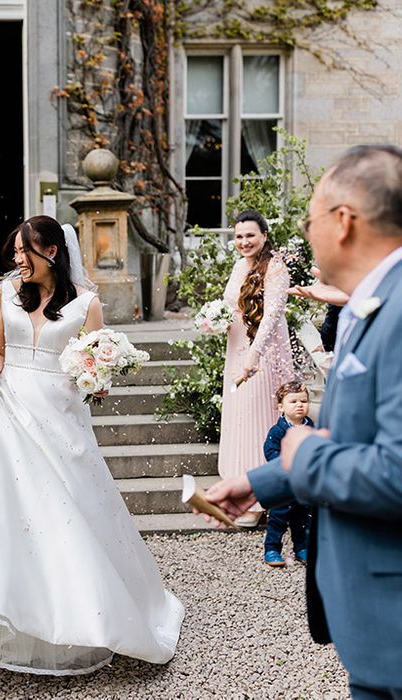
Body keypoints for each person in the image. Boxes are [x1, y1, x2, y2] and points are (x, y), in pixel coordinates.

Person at [0, 216, 184, 675]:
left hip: (60, 417)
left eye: (25, 252)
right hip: (9, 409)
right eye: (14, 252)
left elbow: (93, 361)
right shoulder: (6, 293)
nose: (17, 260)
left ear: (52, 253)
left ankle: (65, 616)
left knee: (63, 515)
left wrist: (98, 382)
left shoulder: (87, 304)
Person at [202, 144, 402, 699]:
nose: (305, 235)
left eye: (310, 221)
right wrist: (262, 480)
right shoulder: (370, 304)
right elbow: (355, 436)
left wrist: (303, 453)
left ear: (343, 223)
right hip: (370, 624)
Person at [217, 210, 295, 528]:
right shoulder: (239, 266)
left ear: (264, 235)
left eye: (250, 235)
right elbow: (230, 306)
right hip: (235, 350)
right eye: (238, 236)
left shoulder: (275, 268)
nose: (244, 241)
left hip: (263, 356)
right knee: (239, 419)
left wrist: (253, 357)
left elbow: (271, 318)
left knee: (259, 421)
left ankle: (261, 498)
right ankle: (238, 489)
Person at [261, 382, 314, 568]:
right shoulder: (277, 431)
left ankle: (302, 547)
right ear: (281, 407)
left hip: (302, 484)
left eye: (304, 401)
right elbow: (270, 451)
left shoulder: (311, 428)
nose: (300, 405)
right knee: (278, 517)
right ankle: (272, 549)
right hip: (283, 484)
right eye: (293, 401)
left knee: (303, 517)